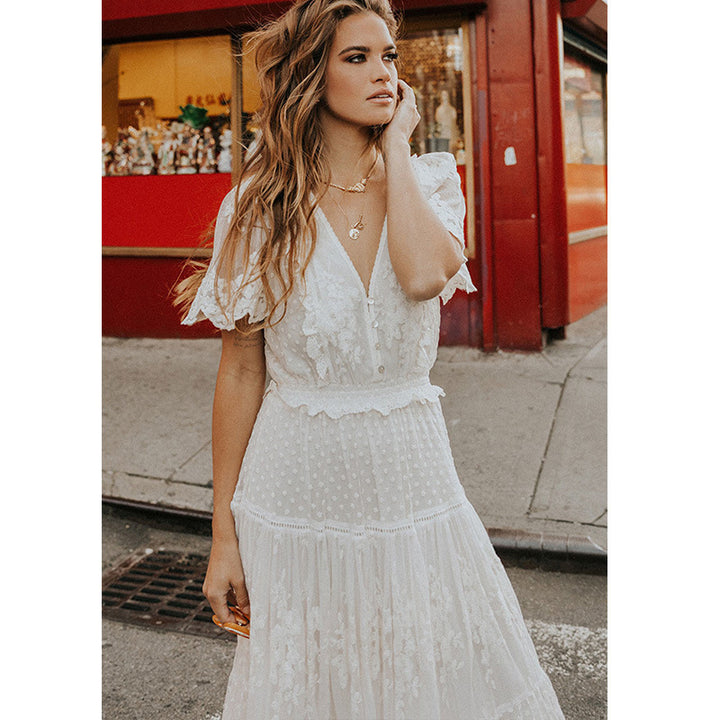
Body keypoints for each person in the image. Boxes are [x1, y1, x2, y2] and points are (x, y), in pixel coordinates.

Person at [175, 1, 566, 717]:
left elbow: (422, 275)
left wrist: (396, 151)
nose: (384, 72)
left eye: (389, 56)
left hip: (413, 485)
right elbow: (240, 371)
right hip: (294, 495)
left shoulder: (432, 183)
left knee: (424, 674)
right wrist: (222, 539)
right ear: (308, 75)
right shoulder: (258, 208)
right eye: (357, 57)